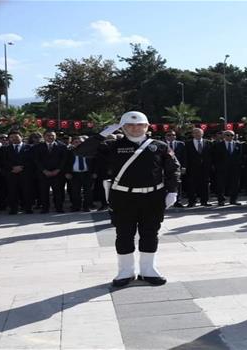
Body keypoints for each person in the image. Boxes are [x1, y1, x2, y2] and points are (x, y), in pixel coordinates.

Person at [74, 111, 180, 287]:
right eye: (130, 125)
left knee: (150, 233)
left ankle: (148, 270)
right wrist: (101, 135)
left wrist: (172, 191)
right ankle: (125, 271)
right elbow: (81, 152)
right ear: (122, 127)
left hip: (153, 196)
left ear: (147, 126)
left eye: (140, 125)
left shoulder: (159, 146)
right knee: (124, 234)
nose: (135, 128)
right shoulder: (112, 146)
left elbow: (173, 169)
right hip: (123, 196)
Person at [32, 130, 68, 213]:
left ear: (55, 136)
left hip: (58, 173)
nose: (50, 137)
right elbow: (36, 160)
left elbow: (64, 160)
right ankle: (45, 208)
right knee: (44, 192)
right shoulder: (38, 147)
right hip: (43, 173)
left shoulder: (62, 146)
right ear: (44, 137)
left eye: (52, 135)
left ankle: (59, 207)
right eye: (48, 135)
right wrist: (44, 170)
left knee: (58, 192)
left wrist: (58, 170)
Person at [0, 131, 34, 214]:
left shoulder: (29, 147)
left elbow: (32, 160)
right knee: (12, 192)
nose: (14, 139)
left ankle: (28, 208)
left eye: (16, 137)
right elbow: (3, 161)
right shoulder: (5, 149)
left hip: (25, 173)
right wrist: (12, 167)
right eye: (12, 137)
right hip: (11, 173)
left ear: (21, 137)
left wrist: (22, 167)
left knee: (27, 191)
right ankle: (13, 209)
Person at [211, 130, 244, 206]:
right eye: (228, 135)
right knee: (221, 185)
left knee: (235, 184)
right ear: (224, 136)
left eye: (232, 135)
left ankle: (233, 200)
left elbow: (240, 156)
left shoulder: (238, 144)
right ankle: (221, 200)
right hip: (222, 168)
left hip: (235, 168)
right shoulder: (218, 145)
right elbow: (215, 157)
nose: (230, 137)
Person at [64, 136, 95, 212]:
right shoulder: (69, 152)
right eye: (76, 142)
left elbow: (95, 163)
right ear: (73, 143)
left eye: (81, 142)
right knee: (75, 191)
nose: (78, 143)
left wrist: (94, 172)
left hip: (87, 173)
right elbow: (65, 163)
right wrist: (67, 172)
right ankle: (76, 206)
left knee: (88, 191)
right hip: (74, 174)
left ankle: (86, 206)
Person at [184, 128, 213, 207]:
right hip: (192, 168)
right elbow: (185, 156)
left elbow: (211, 155)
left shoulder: (209, 143)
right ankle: (192, 201)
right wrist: (185, 167)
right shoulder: (187, 144)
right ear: (192, 134)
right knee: (191, 185)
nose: (197, 134)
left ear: (202, 134)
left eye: (199, 133)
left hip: (205, 168)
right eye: (195, 133)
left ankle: (204, 201)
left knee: (205, 185)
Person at [165, 130, 186, 207]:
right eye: (169, 135)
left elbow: (184, 156)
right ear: (165, 136)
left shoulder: (181, 144)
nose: (171, 136)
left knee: (177, 184)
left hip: (177, 168)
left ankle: (178, 201)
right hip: (165, 168)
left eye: (173, 135)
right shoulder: (162, 144)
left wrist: (184, 167)